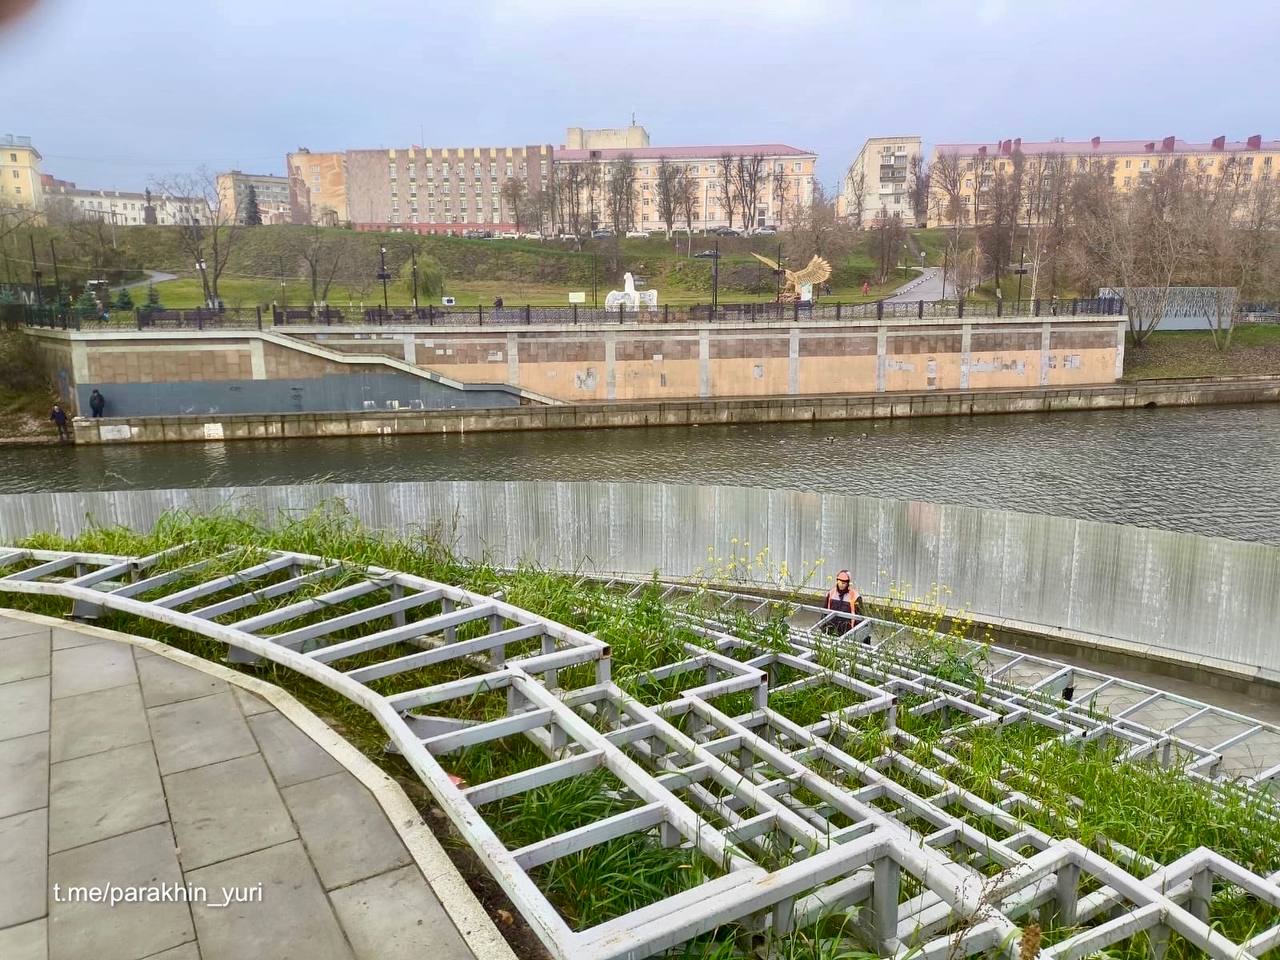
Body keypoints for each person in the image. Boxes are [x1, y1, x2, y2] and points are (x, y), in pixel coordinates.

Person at [822, 569, 863, 639]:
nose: (841, 585)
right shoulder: (831, 594)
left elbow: (860, 617)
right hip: (831, 632)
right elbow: (825, 612)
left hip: (848, 633)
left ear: (848, 583)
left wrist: (857, 635)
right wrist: (823, 629)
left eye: (844, 583)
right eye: (839, 582)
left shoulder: (855, 596)